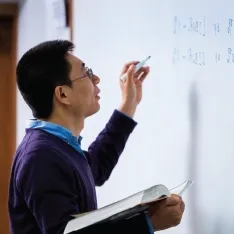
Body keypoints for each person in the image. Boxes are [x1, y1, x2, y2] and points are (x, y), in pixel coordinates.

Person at [8, 40, 185, 234]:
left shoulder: (55, 145)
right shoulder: (41, 158)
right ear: (63, 94)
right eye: (86, 73)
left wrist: (129, 103)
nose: (96, 79)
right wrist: (148, 224)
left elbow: (96, 167)